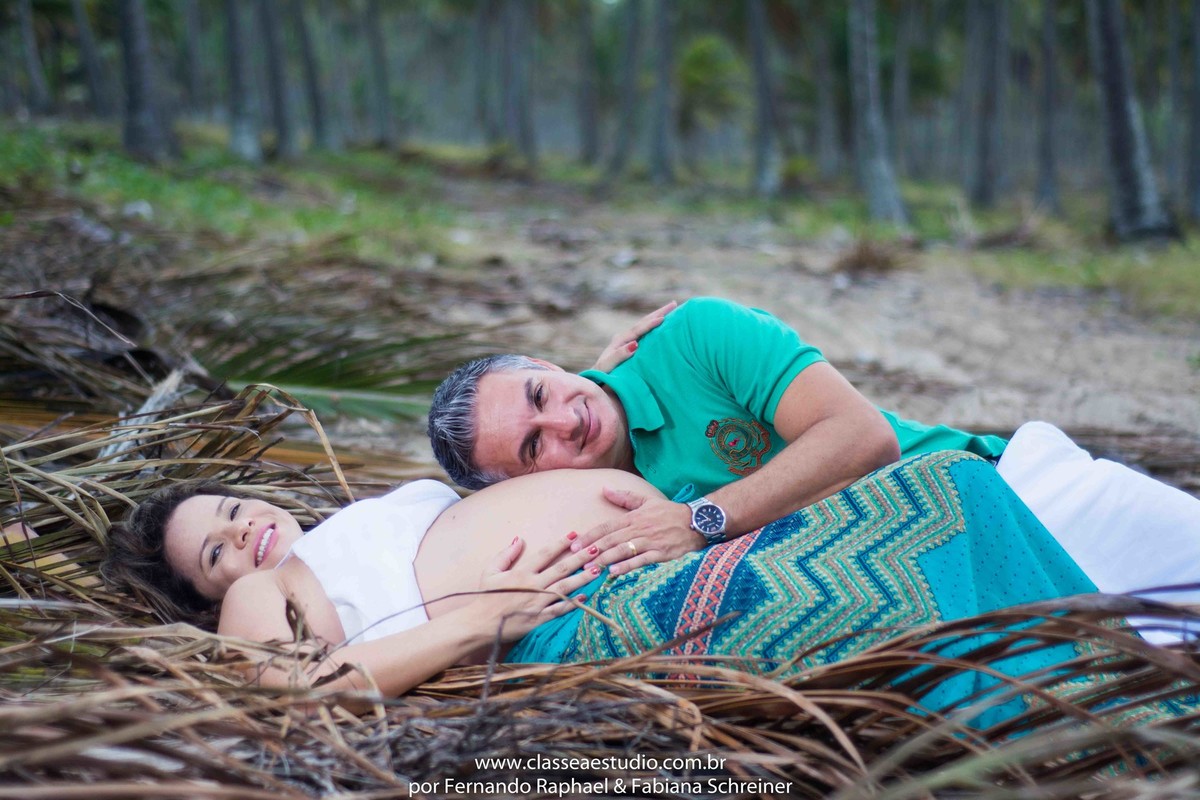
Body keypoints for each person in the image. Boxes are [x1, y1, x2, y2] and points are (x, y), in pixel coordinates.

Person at [103, 449, 1141, 728]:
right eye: (215, 551)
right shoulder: (267, 592)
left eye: (231, 509)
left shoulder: (350, 517)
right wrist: (480, 620)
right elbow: (304, 693)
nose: (242, 534)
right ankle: (1064, 710)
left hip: (661, 555)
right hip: (583, 625)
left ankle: (1121, 670)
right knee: (885, 591)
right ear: (209, 595)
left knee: (955, 484)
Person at [427, 297, 1200, 644]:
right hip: (951, 590)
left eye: (540, 390)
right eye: (535, 445)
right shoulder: (602, 506)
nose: (564, 418)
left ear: (540, 361)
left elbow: (864, 439)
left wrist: (701, 519)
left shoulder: (695, 336)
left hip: (1016, 491)